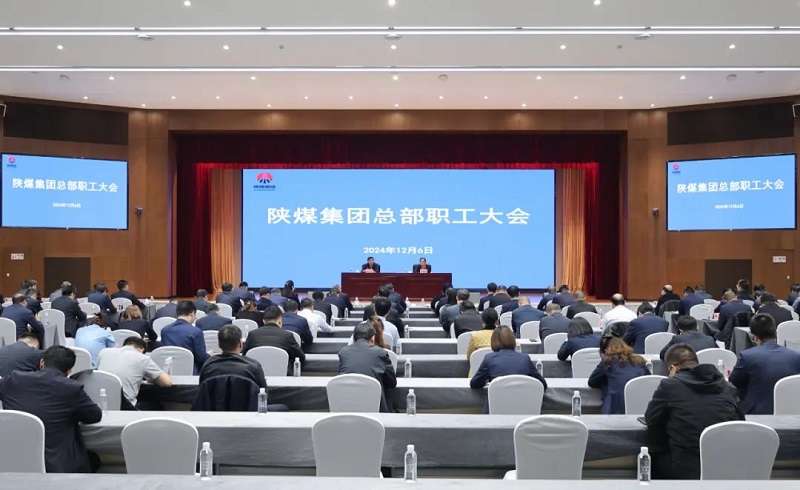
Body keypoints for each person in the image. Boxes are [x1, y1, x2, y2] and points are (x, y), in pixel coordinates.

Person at [645, 344, 745, 479]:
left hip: (684, 470)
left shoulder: (669, 386)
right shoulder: (727, 386)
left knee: (651, 458)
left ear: (673, 369)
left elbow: (651, 419)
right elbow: (740, 422)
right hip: (725, 467)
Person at [0, 345, 102, 473]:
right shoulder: (71, 388)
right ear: (69, 371)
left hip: (12, 462)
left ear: (42, 362)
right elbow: (95, 416)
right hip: (58, 466)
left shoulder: (13, 379)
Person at [729, 313, 800, 414]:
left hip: (755, 415)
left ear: (755, 337)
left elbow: (733, 383)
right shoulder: (796, 356)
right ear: (776, 333)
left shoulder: (747, 356)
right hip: (790, 414)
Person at [470, 326, 547, 412]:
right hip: (523, 408)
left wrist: (489, 381)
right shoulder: (524, 358)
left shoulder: (489, 359)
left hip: (496, 409)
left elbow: (475, 384)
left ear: (494, 341)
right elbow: (542, 384)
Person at [96, 336, 172, 408]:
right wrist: (152, 379)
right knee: (155, 404)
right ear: (142, 349)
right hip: (123, 406)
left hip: (98, 402)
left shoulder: (104, 352)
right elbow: (167, 382)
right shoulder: (143, 358)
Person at [338, 321, 396, 412]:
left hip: (347, 404)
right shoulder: (381, 353)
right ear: (373, 338)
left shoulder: (343, 352)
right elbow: (392, 383)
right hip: (376, 406)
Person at [588, 336, 649, 414]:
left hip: (615, 407)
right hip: (640, 403)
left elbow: (592, 382)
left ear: (605, 350)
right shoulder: (639, 360)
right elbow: (647, 379)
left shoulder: (608, 361)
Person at [199, 325, 267, 390]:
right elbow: (263, 393)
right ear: (241, 344)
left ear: (219, 344)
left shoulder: (208, 366)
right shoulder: (254, 368)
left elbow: (202, 392)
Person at [242, 306, 305, 375]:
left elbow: (244, 356)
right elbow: (300, 357)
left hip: (255, 376)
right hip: (283, 376)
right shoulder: (287, 335)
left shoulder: (252, 334)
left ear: (263, 321)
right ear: (280, 321)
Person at [160, 300, 210, 374]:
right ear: (192, 314)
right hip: (191, 372)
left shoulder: (164, 330)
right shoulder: (196, 332)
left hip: (170, 371)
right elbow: (201, 358)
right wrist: (210, 355)